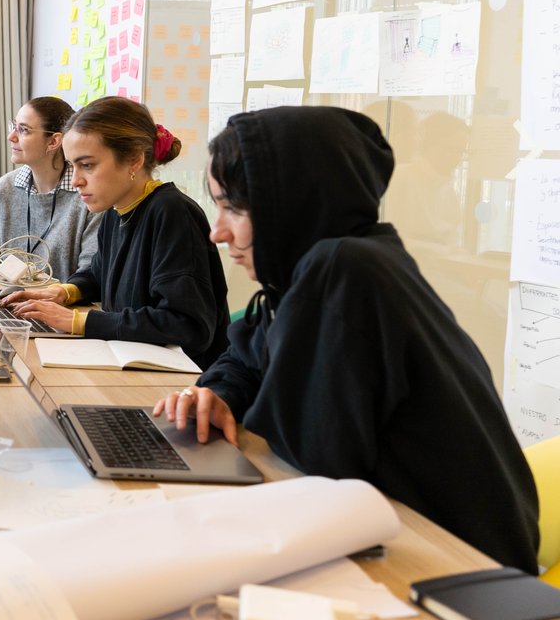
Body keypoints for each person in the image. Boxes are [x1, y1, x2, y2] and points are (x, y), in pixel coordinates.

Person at [156, 106, 538, 570]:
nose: (217, 232)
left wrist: (244, 397)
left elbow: (319, 452)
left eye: (233, 208)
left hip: (454, 561)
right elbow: (244, 357)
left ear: (292, 203)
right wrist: (218, 395)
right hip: (404, 528)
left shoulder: (345, 269)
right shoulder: (319, 268)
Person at [0, 96, 229, 369]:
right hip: (136, 366)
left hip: (183, 382)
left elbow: (185, 323)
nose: (76, 180)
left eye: (87, 165)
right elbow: (98, 274)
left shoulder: (172, 212)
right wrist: (62, 292)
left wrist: (78, 321)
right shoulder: (115, 209)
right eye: (72, 166)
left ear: (133, 160)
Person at [0, 96, 101, 283]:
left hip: (65, 307)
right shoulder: (3, 190)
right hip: (7, 301)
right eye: (13, 126)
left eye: (23, 130)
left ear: (53, 141)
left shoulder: (88, 196)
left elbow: (90, 274)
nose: (11, 137)